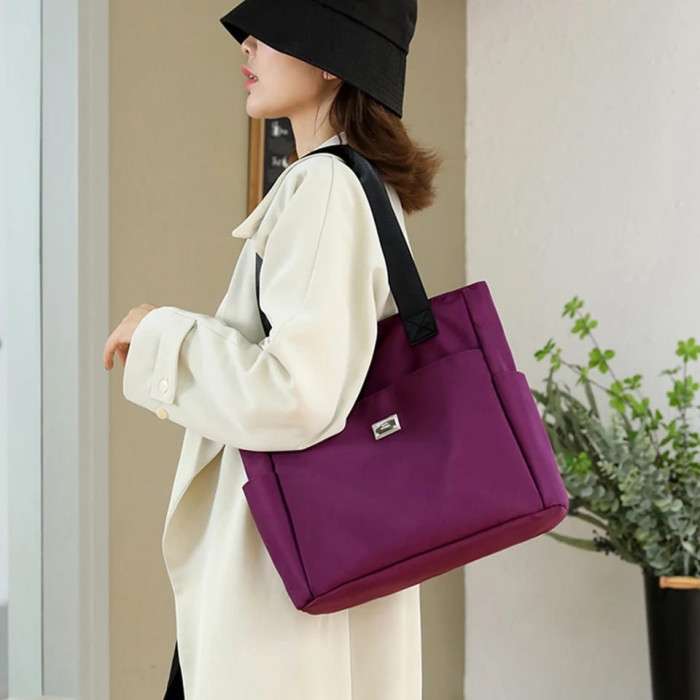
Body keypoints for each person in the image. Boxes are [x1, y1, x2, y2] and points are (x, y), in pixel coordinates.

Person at [103, 1, 442, 697]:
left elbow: (298, 394)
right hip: (312, 564)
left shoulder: (324, 187)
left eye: (275, 28)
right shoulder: (358, 186)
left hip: (280, 581)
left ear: (332, 58)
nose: (248, 44)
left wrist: (160, 335)